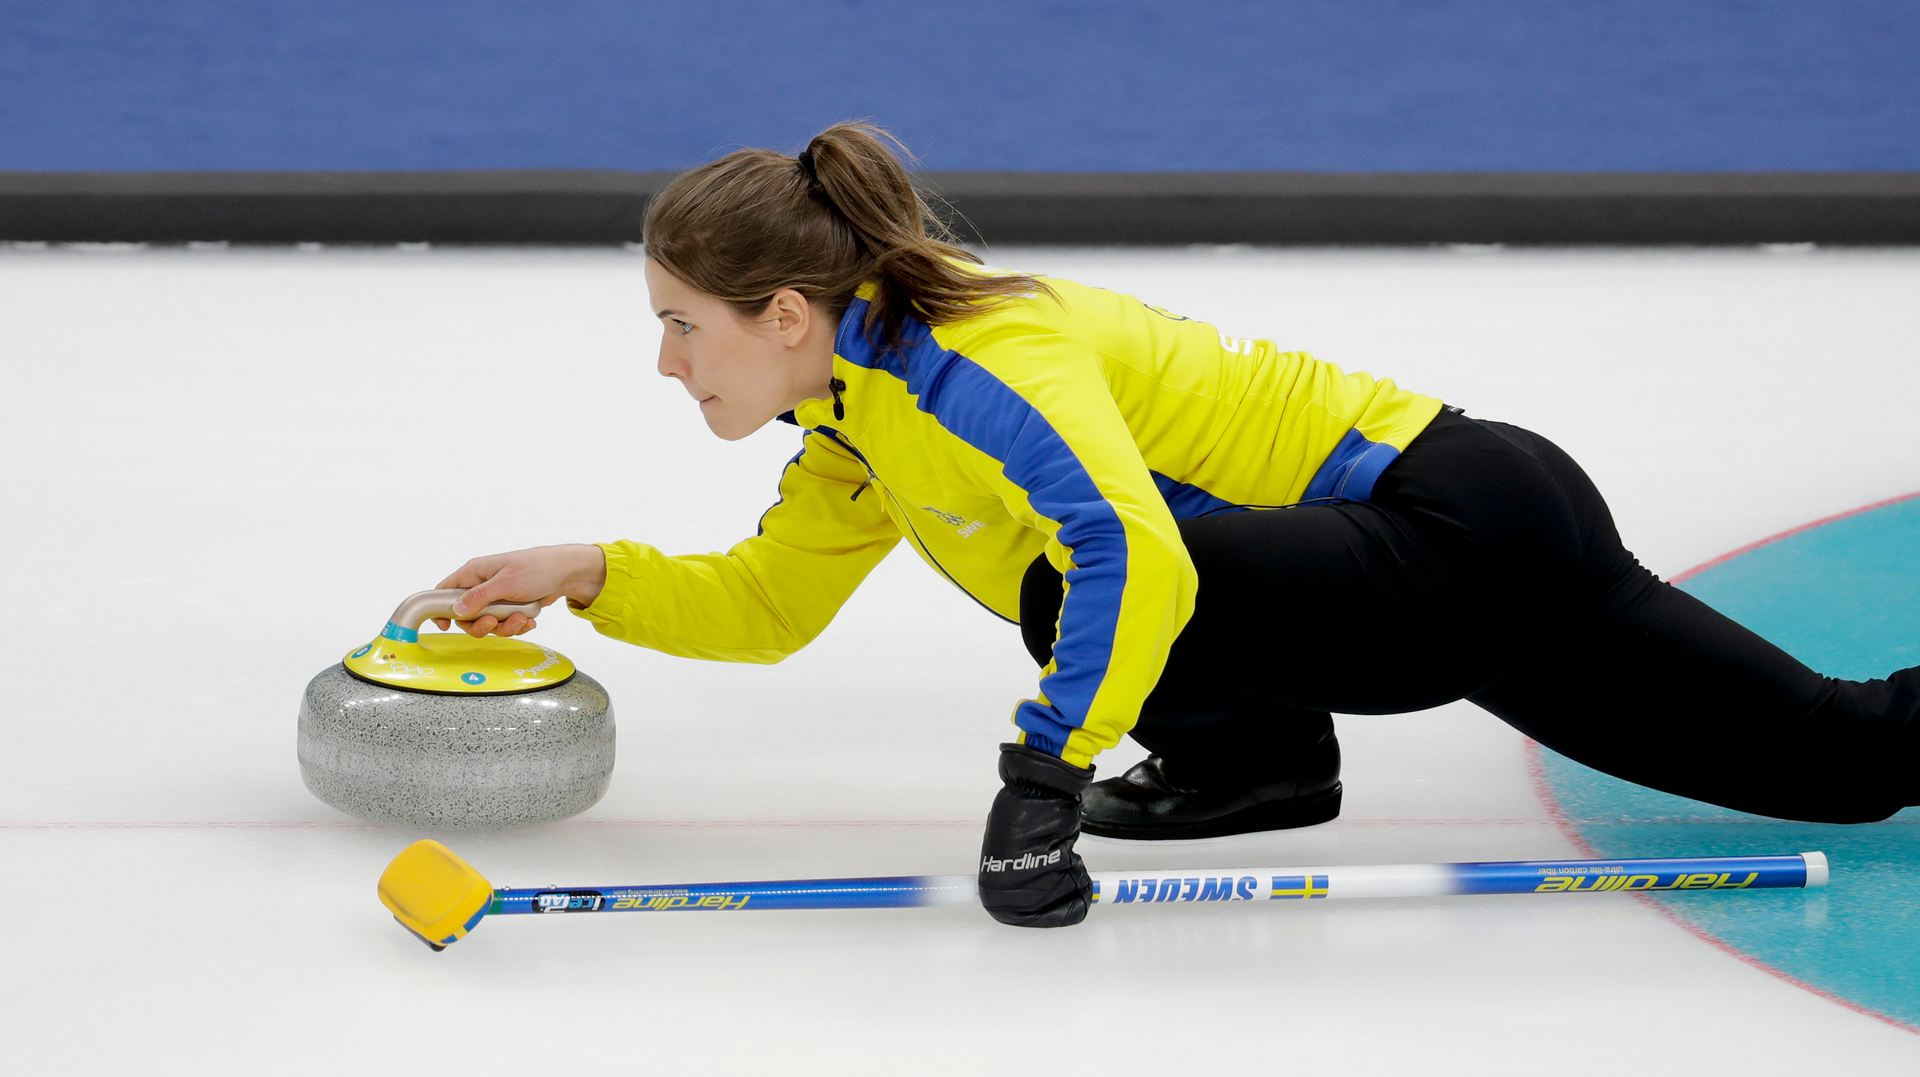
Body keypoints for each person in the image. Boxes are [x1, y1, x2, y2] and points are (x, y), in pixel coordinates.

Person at [434, 123, 1920, 928]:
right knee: (1854, 764)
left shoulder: (979, 364)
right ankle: (1260, 759)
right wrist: (590, 576)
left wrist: (1041, 776)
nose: (668, 363)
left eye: (682, 328)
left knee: (1072, 573)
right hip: (1440, 556)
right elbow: (770, 604)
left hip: (1451, 527)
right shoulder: (858, 413)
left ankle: (1255, 759)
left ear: (781, 313)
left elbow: (1131, 554)